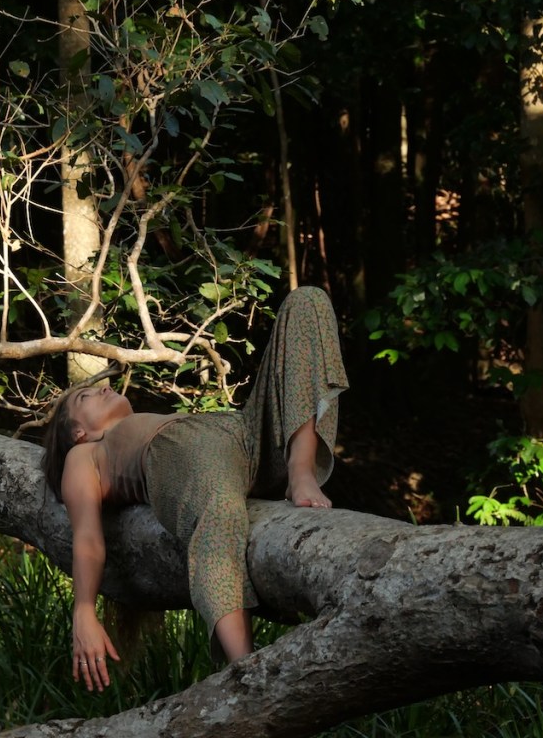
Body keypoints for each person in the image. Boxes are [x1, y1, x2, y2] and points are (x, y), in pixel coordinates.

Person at [41, 286, 349, 692]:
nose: (101, 387)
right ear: (79, 432)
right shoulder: (86, 456)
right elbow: (87, 538)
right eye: (85, 395)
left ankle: (301, 468)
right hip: (183, 453)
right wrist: (84, 611)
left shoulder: (140, 421)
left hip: (240, 432)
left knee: (306, 302)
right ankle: (246, 673)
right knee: (219, 514)